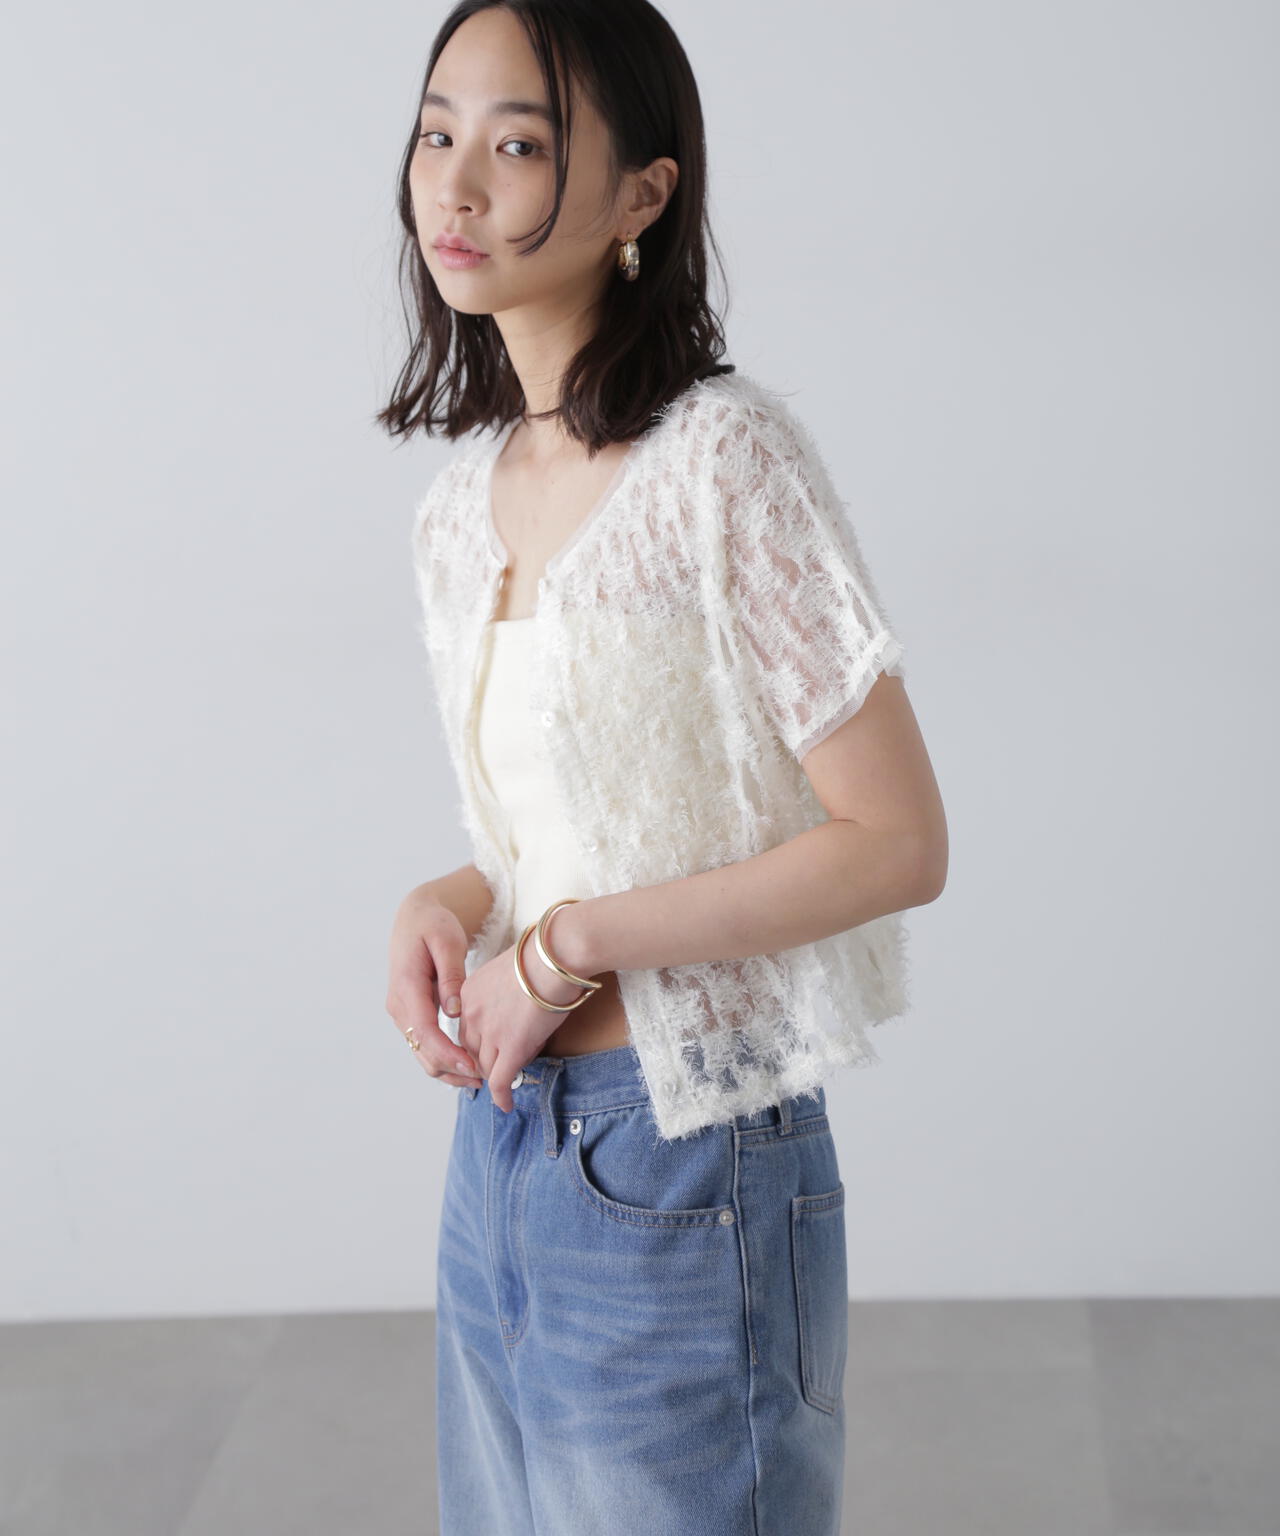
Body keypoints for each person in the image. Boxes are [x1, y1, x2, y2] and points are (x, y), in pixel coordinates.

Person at [375, 3, 948, 1532]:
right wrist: (456, 902)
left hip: (682, 1158)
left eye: (519, 145)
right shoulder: (459, 509)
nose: (457, 184)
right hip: (500, 1146)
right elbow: (581, 826)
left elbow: (893, 840)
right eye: (437, 133)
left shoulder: (723, 463)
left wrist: (565, 949)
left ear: (644, 193)